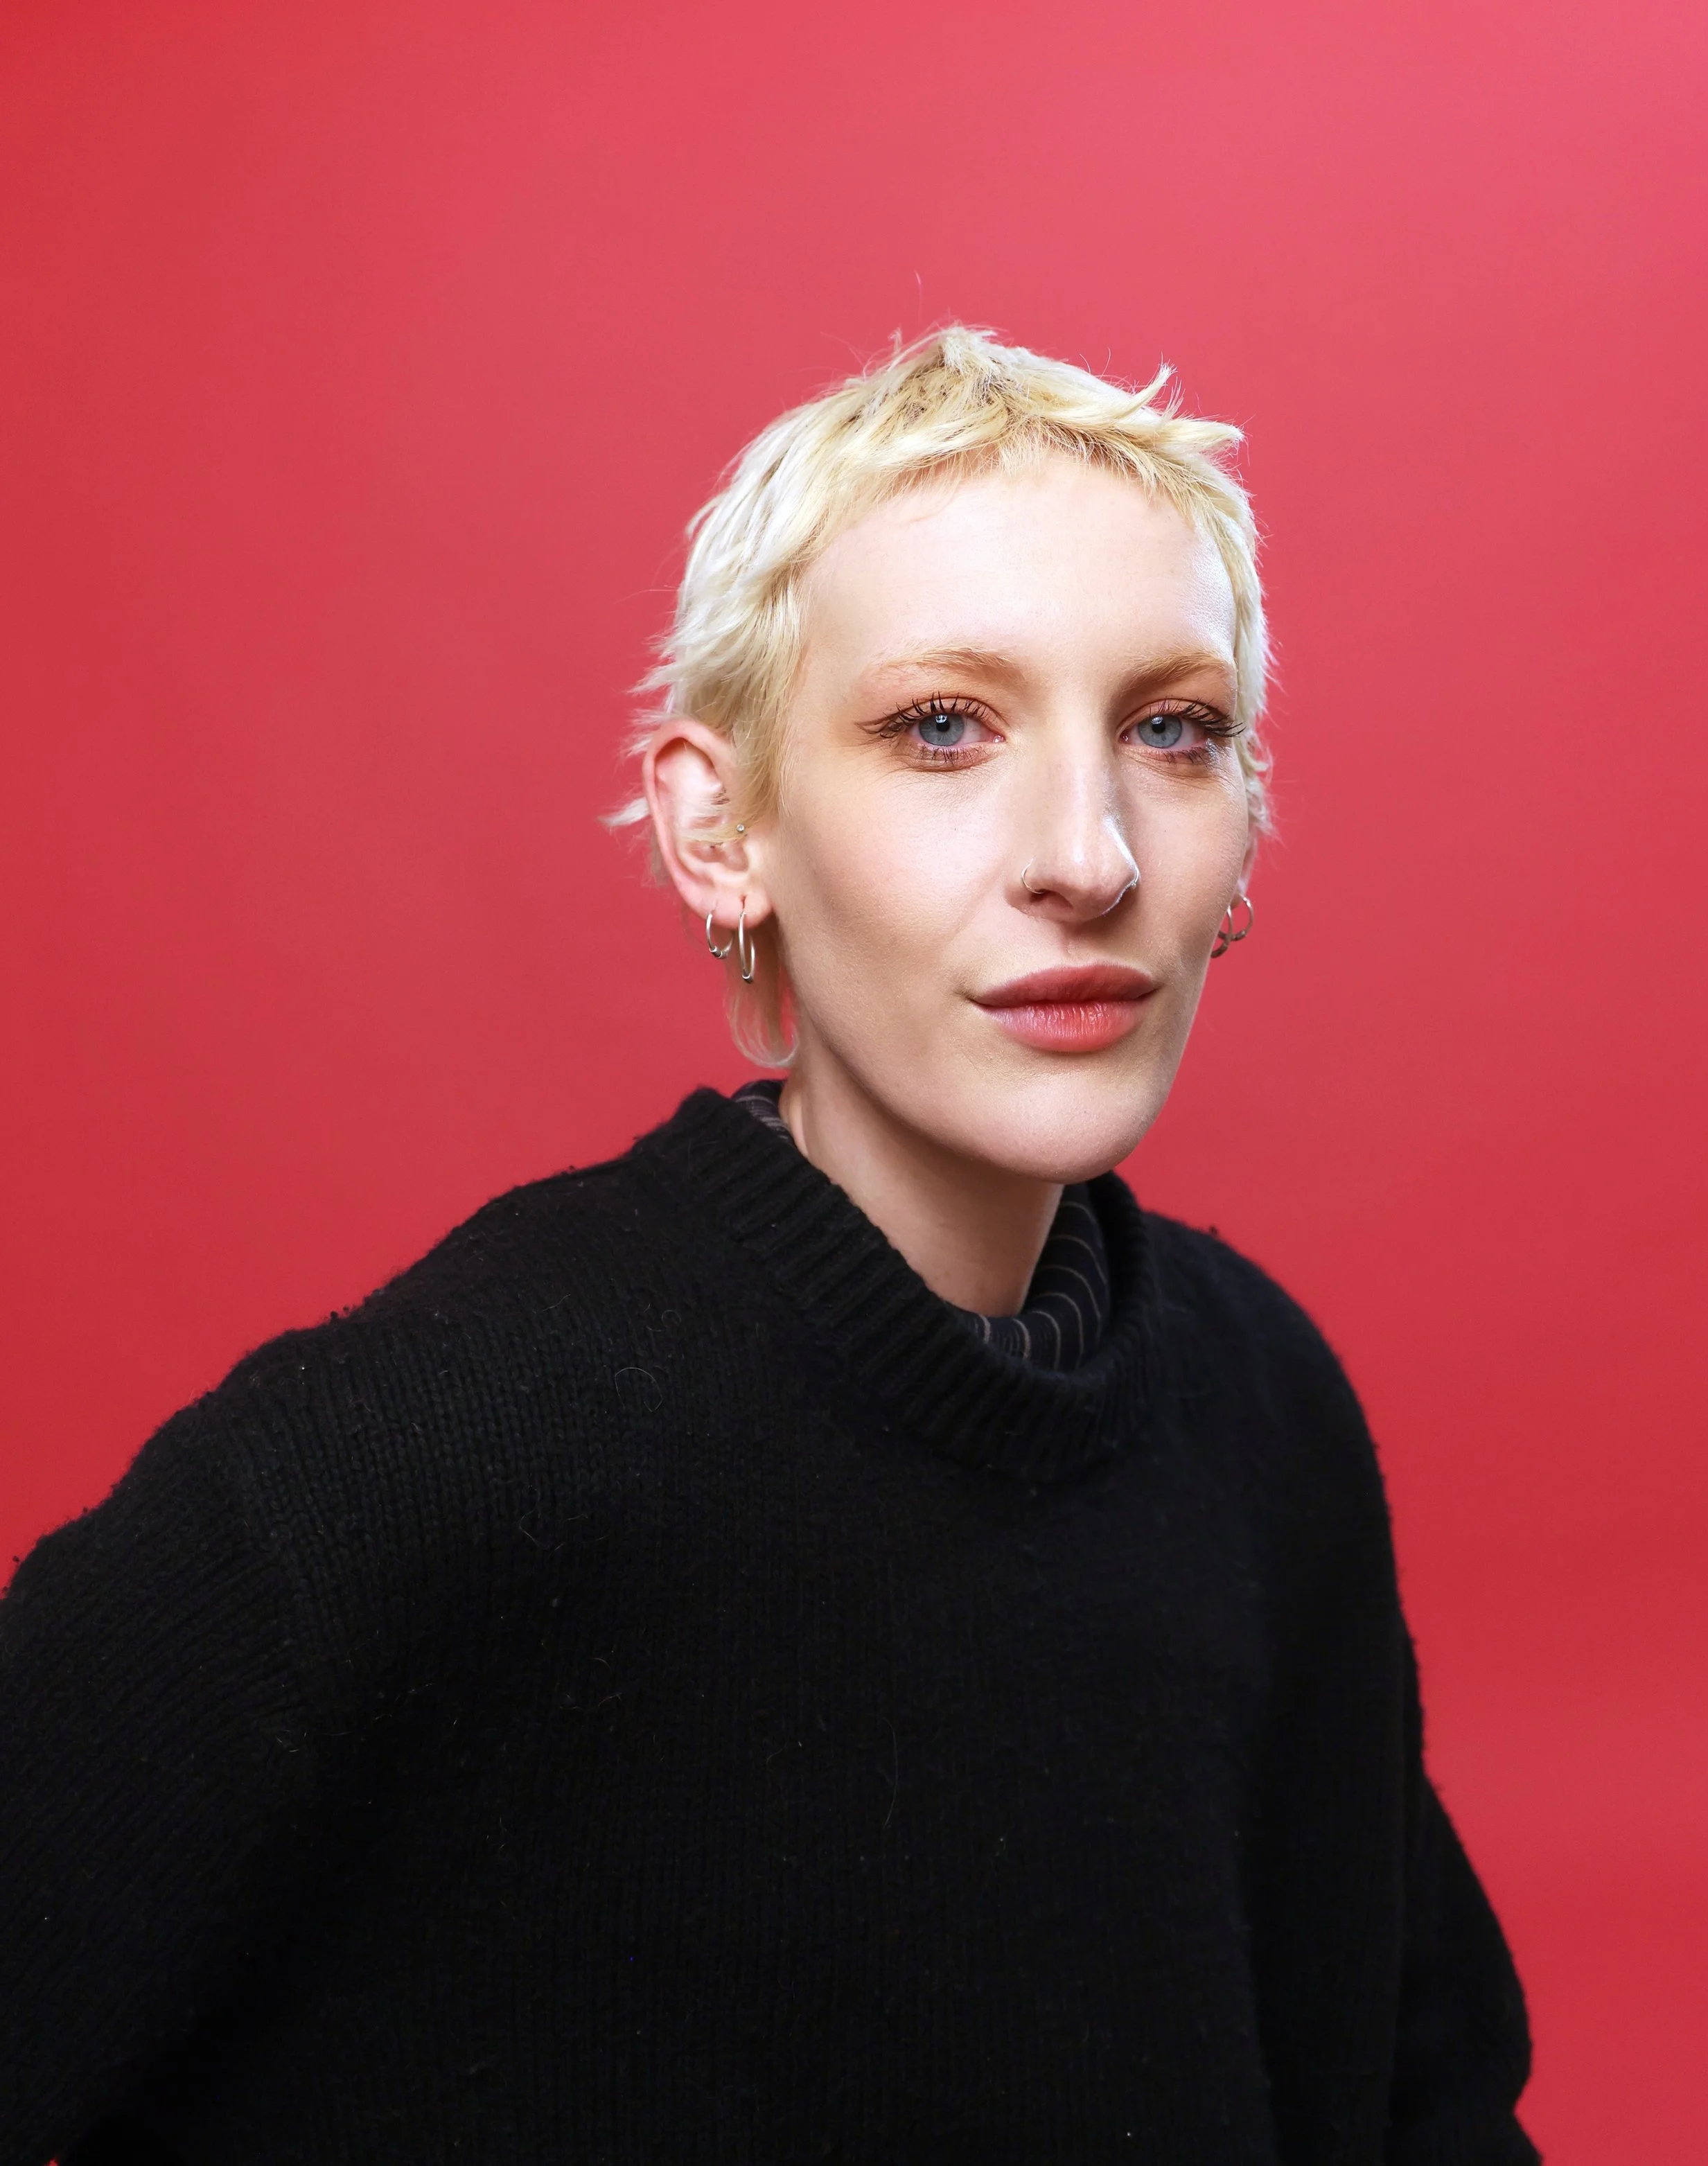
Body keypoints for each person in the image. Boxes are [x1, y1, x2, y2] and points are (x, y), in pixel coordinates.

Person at [0, 328, 1536, 2163]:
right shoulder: (436, 1443)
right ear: (720, 829)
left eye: (1170, 728)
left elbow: (1420, 2112)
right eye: (942, 725)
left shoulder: (1261, 1410)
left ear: (1249, 828)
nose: (1089, 852)